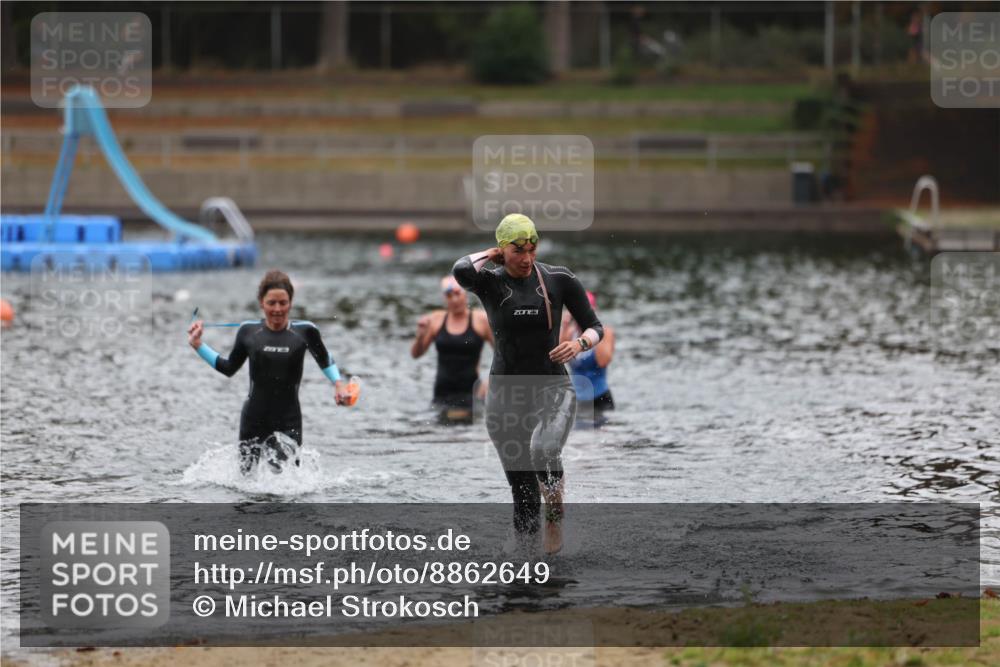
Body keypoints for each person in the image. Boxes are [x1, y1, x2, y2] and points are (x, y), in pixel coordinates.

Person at [453, 213, 603, 554]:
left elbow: (595, 327)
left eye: (532, 249)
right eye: (518, 251)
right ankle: (525, 561)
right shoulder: (490, 283)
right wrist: (492, 254)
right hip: (505, 394)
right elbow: (461, 270)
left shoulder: (558, 279)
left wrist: (580, 344)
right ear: (502, 250)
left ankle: (554, 516)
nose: (526, 258)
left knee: (543, 449)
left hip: (553, 387)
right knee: (522, 493)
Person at [187, 270, 351, 474]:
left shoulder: (306, 331)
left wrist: (338, 384)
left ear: (291, 303)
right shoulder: (248, 331)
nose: (277, 309)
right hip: (253, 420)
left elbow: (325, 360)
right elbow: (228, 368)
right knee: (246, 483)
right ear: (261, 303)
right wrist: (198, 345)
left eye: (283, 303)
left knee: (286, 483)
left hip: (289, 421)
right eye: (271, 303)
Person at [411, 276, 494, 424]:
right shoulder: (435, 320)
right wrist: (420, 336)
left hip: (471, 394)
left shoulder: (480, 320)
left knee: (465, 433)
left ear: (465, 294)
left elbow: (503, 354)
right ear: (444, 298)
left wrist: (489, 382)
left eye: (457, 293)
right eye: (449, 295)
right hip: (442, 394)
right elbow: (416, 354)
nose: (454, 299)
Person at [561, 291, 616, 427]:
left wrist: (596, 330)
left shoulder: (606, 332)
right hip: (578, 400)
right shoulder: (570, 333)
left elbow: (603, 361)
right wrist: (564, 326)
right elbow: (560, 358)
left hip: (600, 398)